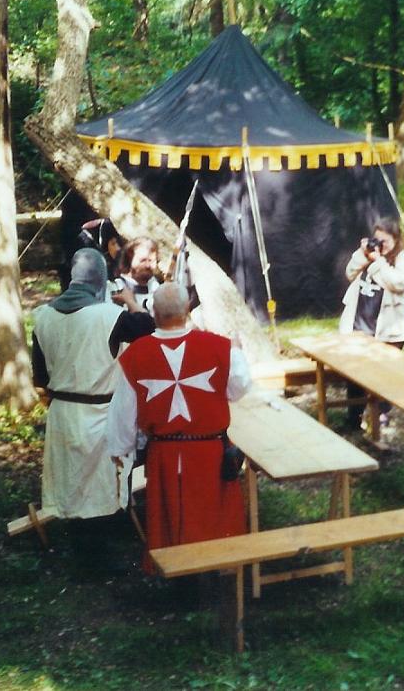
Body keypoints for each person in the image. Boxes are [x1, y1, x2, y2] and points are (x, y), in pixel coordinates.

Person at [106, 283, 252, 573]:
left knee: (172, 517)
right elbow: (239, 389)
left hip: (165, 454)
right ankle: (214, 576)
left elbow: (124, 413)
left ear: (154, 313)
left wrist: (120, 450)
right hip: (210, 451)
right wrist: (236, 353)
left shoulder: (135, 355)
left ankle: (181, 582)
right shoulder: (221, 347)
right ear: (187, 310)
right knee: (212, 515)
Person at [32, 248, 155, 554]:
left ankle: (86, 551)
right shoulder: (110, 316)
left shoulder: (43, 316)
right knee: (99, 483)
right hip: (99, 411)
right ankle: (95, 559)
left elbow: (40, 378)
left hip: (62, 411)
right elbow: (149, 328)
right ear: (101, 280)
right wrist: (129, 301)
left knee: (75, 481)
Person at [338, 217, 404, 429]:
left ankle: (380, 417)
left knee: (384, 374)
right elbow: (349, 273)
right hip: (360, 320)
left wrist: (378, 261)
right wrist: (363, 255)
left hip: (388, 327)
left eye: (386, 241)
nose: (381, 244)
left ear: (396, 240)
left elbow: (399, 283)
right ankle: (353, 417)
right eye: (377, 239)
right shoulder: (367, 254)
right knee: (354, 374)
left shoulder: (402, 258)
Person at [112, 237, 160, 313]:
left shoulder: (157, 290)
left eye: (151, 261)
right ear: (130, 259)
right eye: (143, 260)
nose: (148, 265)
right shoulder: (115, 287)